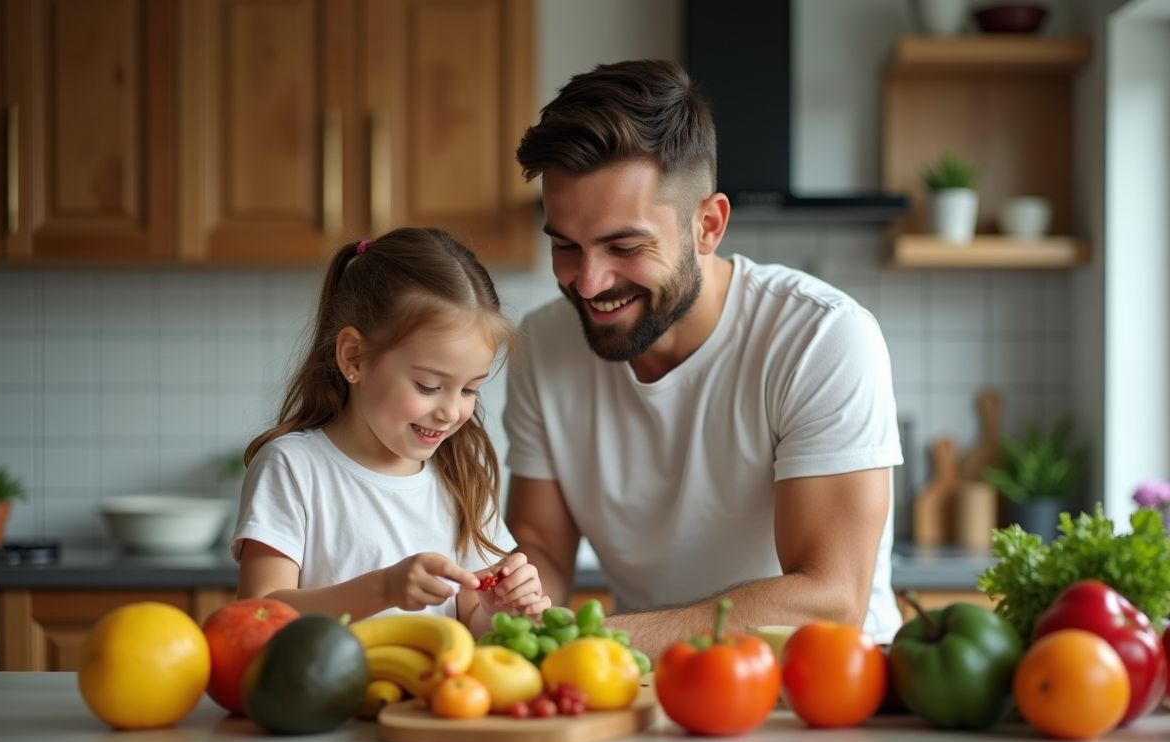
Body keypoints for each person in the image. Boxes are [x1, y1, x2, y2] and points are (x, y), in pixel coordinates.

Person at [505, 60, 903, 658]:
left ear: (708, 226)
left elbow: (831, 597)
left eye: (625, 246)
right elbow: (542, 547)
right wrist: (517, 610)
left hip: (823, 698)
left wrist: (592, 637)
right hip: (659, 688)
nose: (588, 284)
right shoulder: (544, 346)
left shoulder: (821, 337)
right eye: (566, 246)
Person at [233, 227, 550, 635]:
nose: (452, 412)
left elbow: (473, 622)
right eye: (429, 387)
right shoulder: (293, 468)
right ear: (355, 357)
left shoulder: (461, 476)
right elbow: (258, 618)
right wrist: (383, 588)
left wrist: (499, 610)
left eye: (470, 388)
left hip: (431, 698)